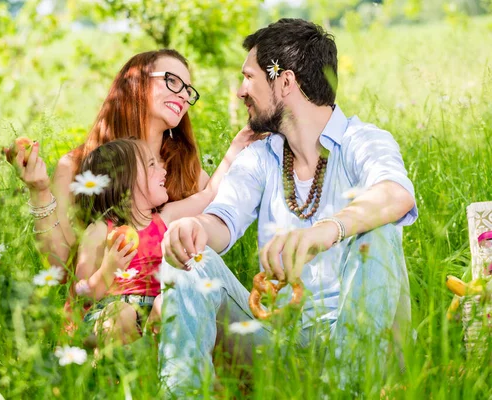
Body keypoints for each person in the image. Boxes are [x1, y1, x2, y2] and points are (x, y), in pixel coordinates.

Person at [158, 18, 418, 395]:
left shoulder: (362, 140)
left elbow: (395, 194)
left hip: (366, 353)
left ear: (284, 82)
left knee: (377, 233)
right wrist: (194, 229)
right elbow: (222, 220)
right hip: (279, 346)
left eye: (248, 77)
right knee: (191, 262)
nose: (239, 91)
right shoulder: (261, 157)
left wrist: (325, 231)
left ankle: (345, 390)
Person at [13, 49, 251, 272]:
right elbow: (60, 269)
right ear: (135, 83)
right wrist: (39, 191)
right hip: (103, 309)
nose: (182, 94)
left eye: (188, 89)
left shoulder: (188, 172)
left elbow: (220, 221)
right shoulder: (75, 166)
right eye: (172, 81)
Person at [70, 138, 244, 345]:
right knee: (121, 313)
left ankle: (146, 357)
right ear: (125, 178)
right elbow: (82, 296)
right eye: (152, 164)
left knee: (168, 305)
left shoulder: (166, 217)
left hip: (155, 311)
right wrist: (108, 270)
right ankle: (112, 366)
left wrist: (237, 145)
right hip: (110, 312)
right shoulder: (99, 231)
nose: (163, 169)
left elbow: (209, 194)